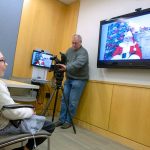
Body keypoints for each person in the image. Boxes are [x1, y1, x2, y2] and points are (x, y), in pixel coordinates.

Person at [0, 51, 55, 150]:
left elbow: (7, 106)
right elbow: (10, 113)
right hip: (4, 125)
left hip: (6, 117)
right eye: (3, 60)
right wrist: (30, 111)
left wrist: (21, 107)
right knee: (49, 125)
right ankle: (26, 149)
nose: (6, 64)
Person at [55, 34, 89, 129]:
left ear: (80, 42)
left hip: (79, 80)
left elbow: (78, 64)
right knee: (64, 100)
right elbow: (65, 61)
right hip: (69, 78)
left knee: (72, 102)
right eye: (72, 42)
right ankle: (61, 120)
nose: (73, 45)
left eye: (75, 43)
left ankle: (68, 121)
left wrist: (66, 67)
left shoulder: (83, 52)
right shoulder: (69, 50)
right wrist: (60, 64)